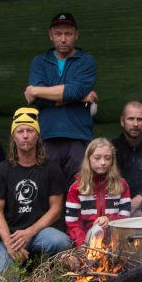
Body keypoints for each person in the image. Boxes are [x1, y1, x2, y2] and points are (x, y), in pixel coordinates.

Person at [0, 107, 72, 273]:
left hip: (37, 234)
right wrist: (9, 244)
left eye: (30, 130)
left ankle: (39, 265)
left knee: (61, 241)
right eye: (20, 131)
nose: (25, 135)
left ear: (37, 135)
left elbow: (56, 209)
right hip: (8, 237)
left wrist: (29, 232)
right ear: (13, 136)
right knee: (5, 278)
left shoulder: (51, 169)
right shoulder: (1, 170)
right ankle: (17, 262)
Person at [24, 12, 97, 186]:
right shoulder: (39, 62)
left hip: (78, 137)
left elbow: (75, 89)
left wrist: (37, 90)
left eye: (68, 34)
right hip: (47, 137)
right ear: (51, 35)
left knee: (79, 192)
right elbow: (35, 101)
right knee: (48, 192)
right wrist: (78, 98)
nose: (63, 39)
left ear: (76, 35)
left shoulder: (86, 61)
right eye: (58, 34)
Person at [65, 138, 132, 247]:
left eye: (107, 158)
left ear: (112, 161)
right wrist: (83, 245)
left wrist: (109, 220)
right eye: (97, 158)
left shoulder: (121, 185)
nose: (103, 162)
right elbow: (73, 224)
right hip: (85, 241)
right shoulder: (76, 187)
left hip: (116, 241)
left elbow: (125, 218)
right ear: (88, 159)